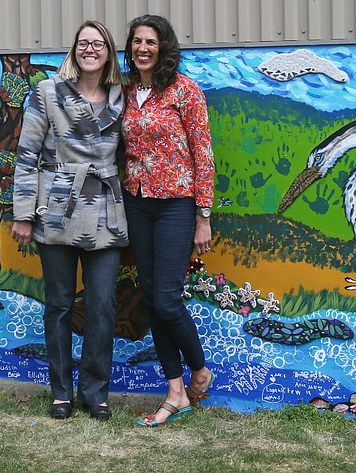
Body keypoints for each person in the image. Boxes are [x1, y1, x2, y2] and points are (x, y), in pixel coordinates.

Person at [12, 20, 127, 421]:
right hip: (57, 208)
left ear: (109, 52)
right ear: (73, 50)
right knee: (59, 305)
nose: (90, 49)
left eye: (98, 44)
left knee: (102, 307)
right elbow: (26, 156)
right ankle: (61, 392)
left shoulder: (122, 96)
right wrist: (23, 215)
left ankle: (95, 392)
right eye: (83, 43)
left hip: (106, 211)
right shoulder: (47, 92)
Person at [120, 14, 216, 427]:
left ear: (163, 48)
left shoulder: (185, 91)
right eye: (137, 41)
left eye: (151, 42)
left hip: (176, 204)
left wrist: (203, 217)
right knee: (151, 298)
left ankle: (199, 370)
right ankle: (176, 392)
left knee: (166, 299)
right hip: (137, 202)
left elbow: (203, 154)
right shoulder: (123, 91)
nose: (143, 48)